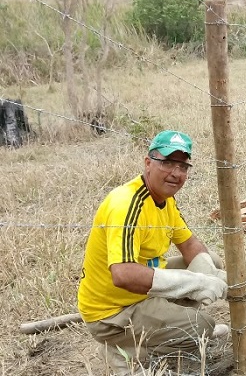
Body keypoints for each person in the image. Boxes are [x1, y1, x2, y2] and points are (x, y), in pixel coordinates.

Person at [78, 130, 229, 375]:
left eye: (182, 166)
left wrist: (211, 274)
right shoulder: (126, 204)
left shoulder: (164, 200)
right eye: (167, 162)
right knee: (202, 327)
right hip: (113, 313)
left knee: (210, 261)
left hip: (140, 295)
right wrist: (193, 282)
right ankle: (124, 350)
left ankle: (165, 329)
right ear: (148, 163)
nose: (176, 173)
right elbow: (123, 274)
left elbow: (190, 245)